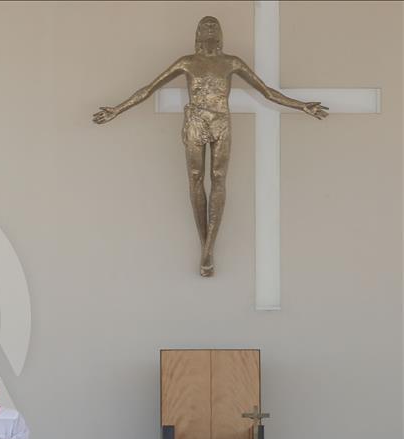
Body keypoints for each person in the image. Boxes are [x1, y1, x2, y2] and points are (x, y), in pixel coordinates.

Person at [93, 16, 327, 276]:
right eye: (205, 25)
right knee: (195, 178)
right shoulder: (187, 62)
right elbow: (149, 89)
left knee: (218, 179)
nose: (209, 29)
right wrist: (117, 109)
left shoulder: (231, 63)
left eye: (214, 25)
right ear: (197, 32)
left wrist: (302, 105)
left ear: (221, 32)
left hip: (221, 123)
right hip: (195, 122)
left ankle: (208, 249)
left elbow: (267, 91)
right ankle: (204, 246)